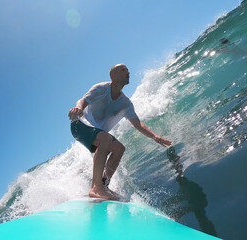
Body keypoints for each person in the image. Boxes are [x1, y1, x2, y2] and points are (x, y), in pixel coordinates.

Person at [68, 63, 172, 200]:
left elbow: (138, 123)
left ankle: (104, 185)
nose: (128, 72)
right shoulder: (101, 88)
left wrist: (155, 136)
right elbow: (82, 101)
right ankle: (96, 188)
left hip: (97, 132)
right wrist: (78, 109)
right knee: (105, 139)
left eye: (128, 70)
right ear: (114, 76)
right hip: (79, 125)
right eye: (123, 70)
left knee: (119, 149)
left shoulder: (126, 103)